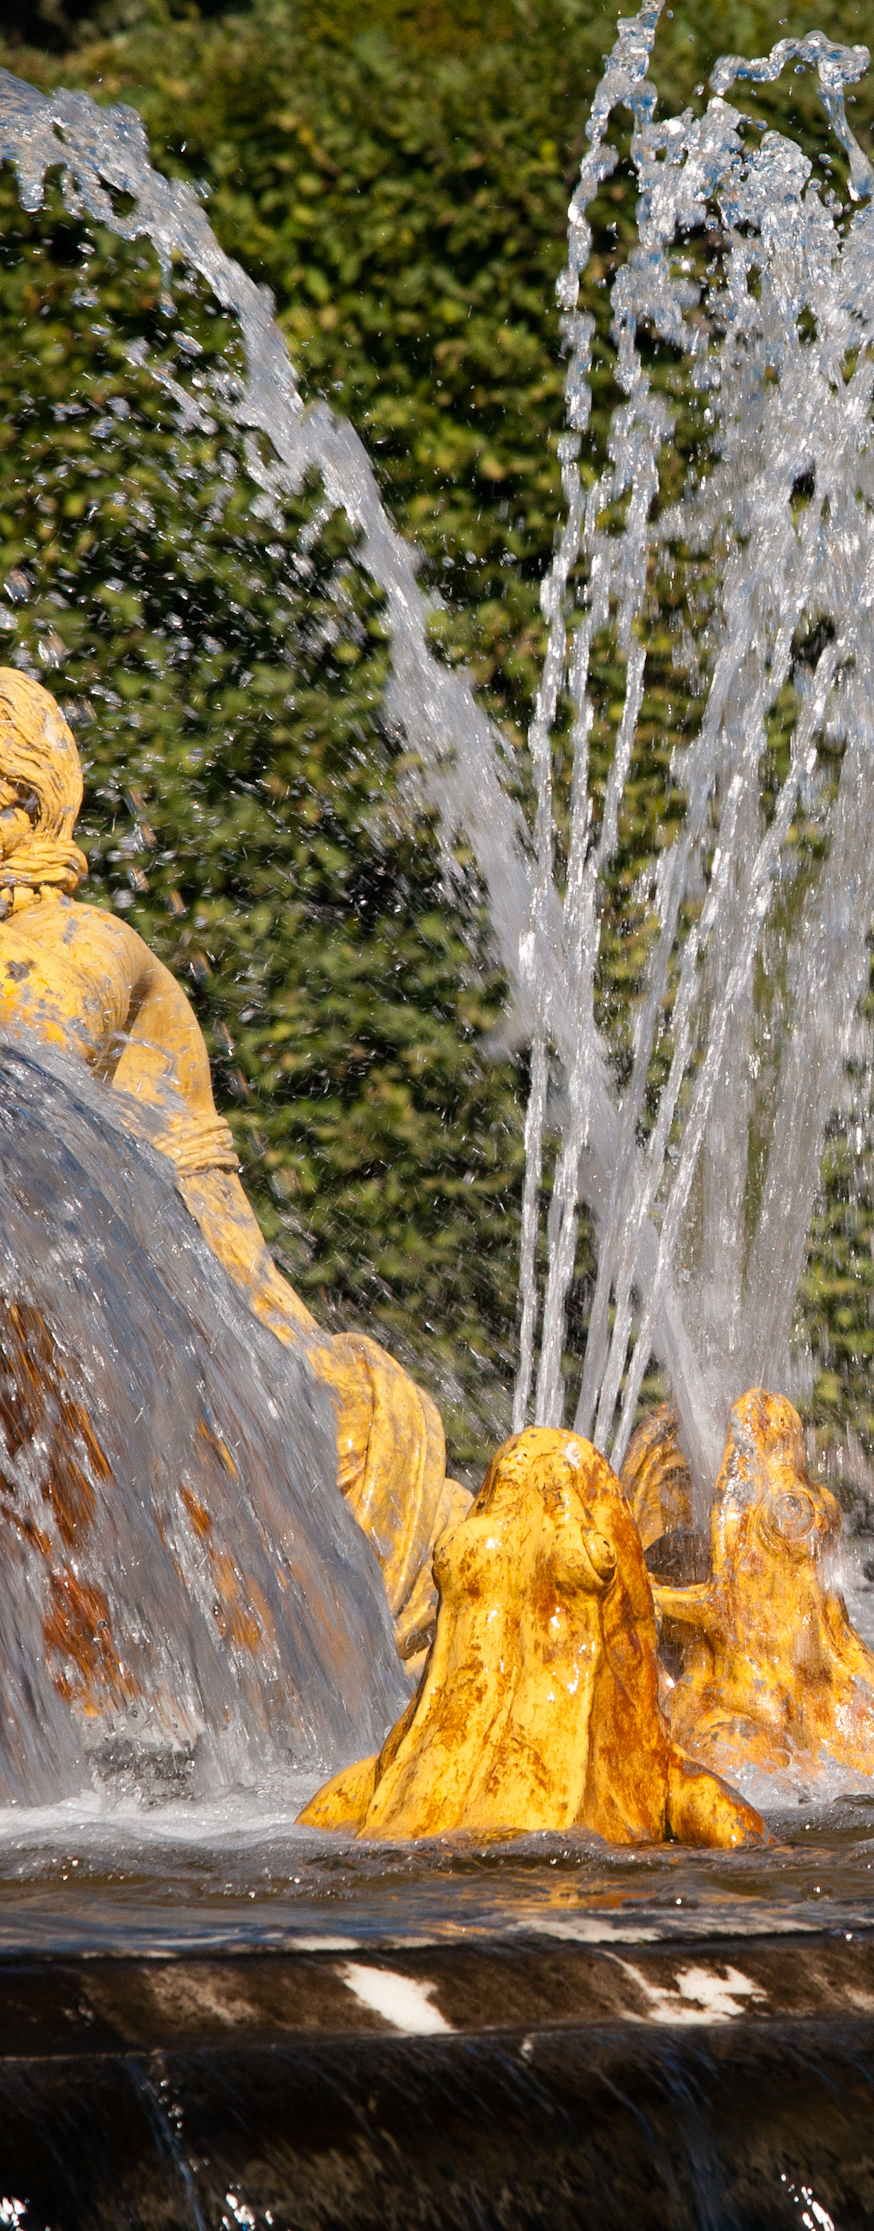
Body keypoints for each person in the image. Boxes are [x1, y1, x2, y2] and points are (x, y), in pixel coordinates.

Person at [0, 667, 467, 1661]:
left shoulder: (68, 942)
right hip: (149, 1439)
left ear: (20, 799)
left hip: (269, 1446)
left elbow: (19, 1119)